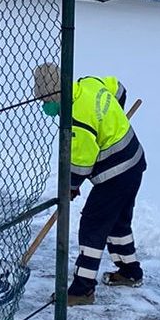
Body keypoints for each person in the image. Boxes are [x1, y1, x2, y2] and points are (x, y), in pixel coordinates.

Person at [31, 63, 145, 305]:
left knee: (93, 225)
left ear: (56, 95)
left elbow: (81, 163)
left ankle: (83, 289)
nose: (45, 106)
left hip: (115, 174)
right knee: (117, 221)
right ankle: (130, 272)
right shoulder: (89, 83)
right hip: (134, 160)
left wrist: (70, 187)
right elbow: (119, 89)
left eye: (46, 100)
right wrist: (110, 119)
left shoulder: (76, 120)